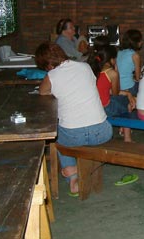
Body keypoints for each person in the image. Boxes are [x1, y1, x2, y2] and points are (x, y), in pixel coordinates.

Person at [35, 42, 112, 196]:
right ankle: (83, 167)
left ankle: (73, 176)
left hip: (73, 135)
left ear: (48, 64)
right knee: (94, 137)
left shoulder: (52, 75)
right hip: (102, 131)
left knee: (58, 138)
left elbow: (42, 92)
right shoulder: (85, 67)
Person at [88, 45, 136, 143]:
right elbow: (115, 93)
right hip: (106, 107)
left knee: (125, 97)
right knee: (126, 103)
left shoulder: (92, 69)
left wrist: (127, 93)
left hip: (93, 106)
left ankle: (122, 128)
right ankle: (127, 137)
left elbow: (103, 90)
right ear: (112, 59)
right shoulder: (112, 73)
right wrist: (128, 94)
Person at [117, 29, 143, 96]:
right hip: (129, 87)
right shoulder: (135, 55)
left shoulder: (119, 52)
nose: (142, 42)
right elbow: (138, 77)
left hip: (118, 86)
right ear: (135, 41)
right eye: (140, 40)